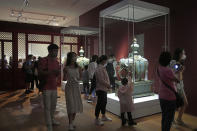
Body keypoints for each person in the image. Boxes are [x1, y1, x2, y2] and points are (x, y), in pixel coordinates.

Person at [38, 44, 60, 131]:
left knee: (53, 106)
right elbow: (40, 72)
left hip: (54, 86)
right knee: (47, 107)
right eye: (55, 51)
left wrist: (57, 72)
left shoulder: (56, 62)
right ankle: (49, 124)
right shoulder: (43, 60)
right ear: (50, 51)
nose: (56, 52)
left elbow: (57, 74)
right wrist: (51, 71)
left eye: (57, 51)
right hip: (46, 86)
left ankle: (52, 119)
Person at [157, 51, 180, 131]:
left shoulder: (159, 68)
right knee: (169, 119)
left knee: (164, 116)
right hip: (170, 97)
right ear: (168, 60)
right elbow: (177, 80)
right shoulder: (168, 71)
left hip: (161, 96)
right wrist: (179, 71)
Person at [63, 52, 83, 131]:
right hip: (69, 87)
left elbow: (81, 77)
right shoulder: (66, 68)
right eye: (73, 56)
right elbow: (64, 79)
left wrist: (77, 79)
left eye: (75, 56)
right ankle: (70, 123)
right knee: (70, 104)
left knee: (75, 105)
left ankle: (72, 122)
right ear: (69, 58)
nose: (75, 58)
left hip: (76, 87)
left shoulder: (79, 67)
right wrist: (65, 74)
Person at [171, 48, 188, 125]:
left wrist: (180, 70)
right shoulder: (174, 62)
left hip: (180, 86)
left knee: (185, 103)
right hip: (175, 86)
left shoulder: (179, 63)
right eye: (183, 53)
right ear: (179, 54)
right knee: (175, 104)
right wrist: (180, 71)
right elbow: (176, 74)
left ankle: (178, 119)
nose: (184, 55)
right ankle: (172, 120)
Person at [94, 55, 112, 126]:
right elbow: (101, 80)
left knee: (104, 103)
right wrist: (108, 85)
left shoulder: (102, 68)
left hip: (103, 88)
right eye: (106, 60)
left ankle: (103, 116)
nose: (107, 61)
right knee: (99, 104)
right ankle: (96, 119)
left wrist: (107, 85)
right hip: (101, 88)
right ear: (103, 60)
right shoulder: (99, 69)